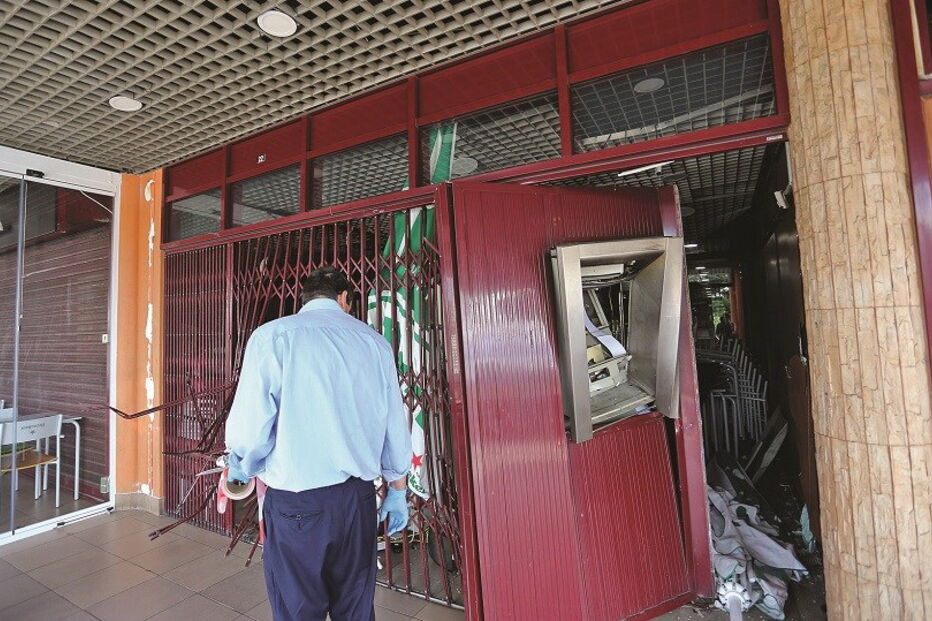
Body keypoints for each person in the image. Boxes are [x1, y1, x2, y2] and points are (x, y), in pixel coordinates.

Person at [224, 266, 412, 621]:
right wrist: (398, 489)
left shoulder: (272, 337)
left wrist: (241, 465)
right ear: (344, 298)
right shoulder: (374, 342)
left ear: (306, 298)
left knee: (297, 608)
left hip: (297, 503)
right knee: (355, 606)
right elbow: (393, 424)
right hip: (357, 500)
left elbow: (251, 426)